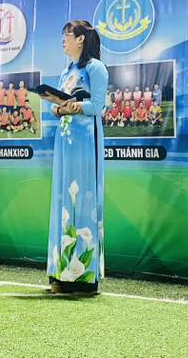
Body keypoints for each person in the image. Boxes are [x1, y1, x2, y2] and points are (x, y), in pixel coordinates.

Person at [40, 20, 108, 295]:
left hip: (85, 139)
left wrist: (74, 107)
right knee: (63, 199)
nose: (63, 40)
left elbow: (98, 106)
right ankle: (61, 272)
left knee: (83, 199)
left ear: (81, 39)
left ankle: (85, 278)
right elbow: (57, 106)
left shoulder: (95, 68)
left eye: (66, 35)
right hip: (65, 139)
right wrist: (59, 109)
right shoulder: (67, 71)